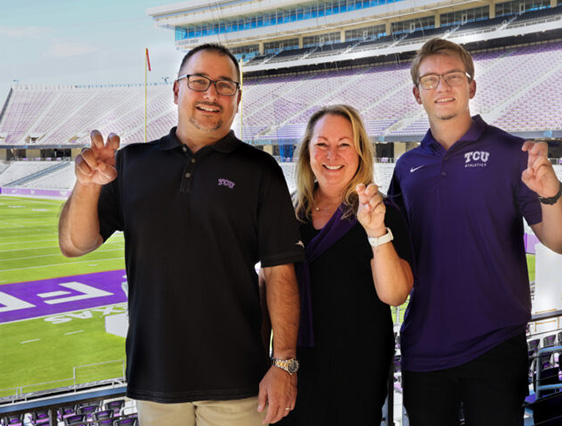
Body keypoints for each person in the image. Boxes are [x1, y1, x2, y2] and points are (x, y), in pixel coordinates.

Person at [58, 43, 305, 426]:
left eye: (225, 85)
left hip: (239, 381)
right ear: (176, 91)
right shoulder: (132, 162)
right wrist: (88, 186)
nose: (211, 93)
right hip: (156, 377)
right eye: (199, 81)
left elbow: (279, 273)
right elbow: (75, 244)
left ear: (238, 99)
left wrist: (284, 363)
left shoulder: (261, 171)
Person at [388, 38, 562, 425]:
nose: (442, 87)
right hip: (425, 348)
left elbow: (561, 241)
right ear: (416, 93)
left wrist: (551, 194)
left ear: (471, 86)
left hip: (495, 345)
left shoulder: (511, 152)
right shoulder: (407, 167)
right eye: (430, 80)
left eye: (453, 76)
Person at [276, 105, 414, 426]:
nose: (332, 154)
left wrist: (376, 231)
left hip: (357, 368)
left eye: (344, 144)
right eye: (322, 144)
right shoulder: (288, 214)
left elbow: (395, 295)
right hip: (297, 364)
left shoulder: (384, 212)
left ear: (361, 152)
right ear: (308, 152)